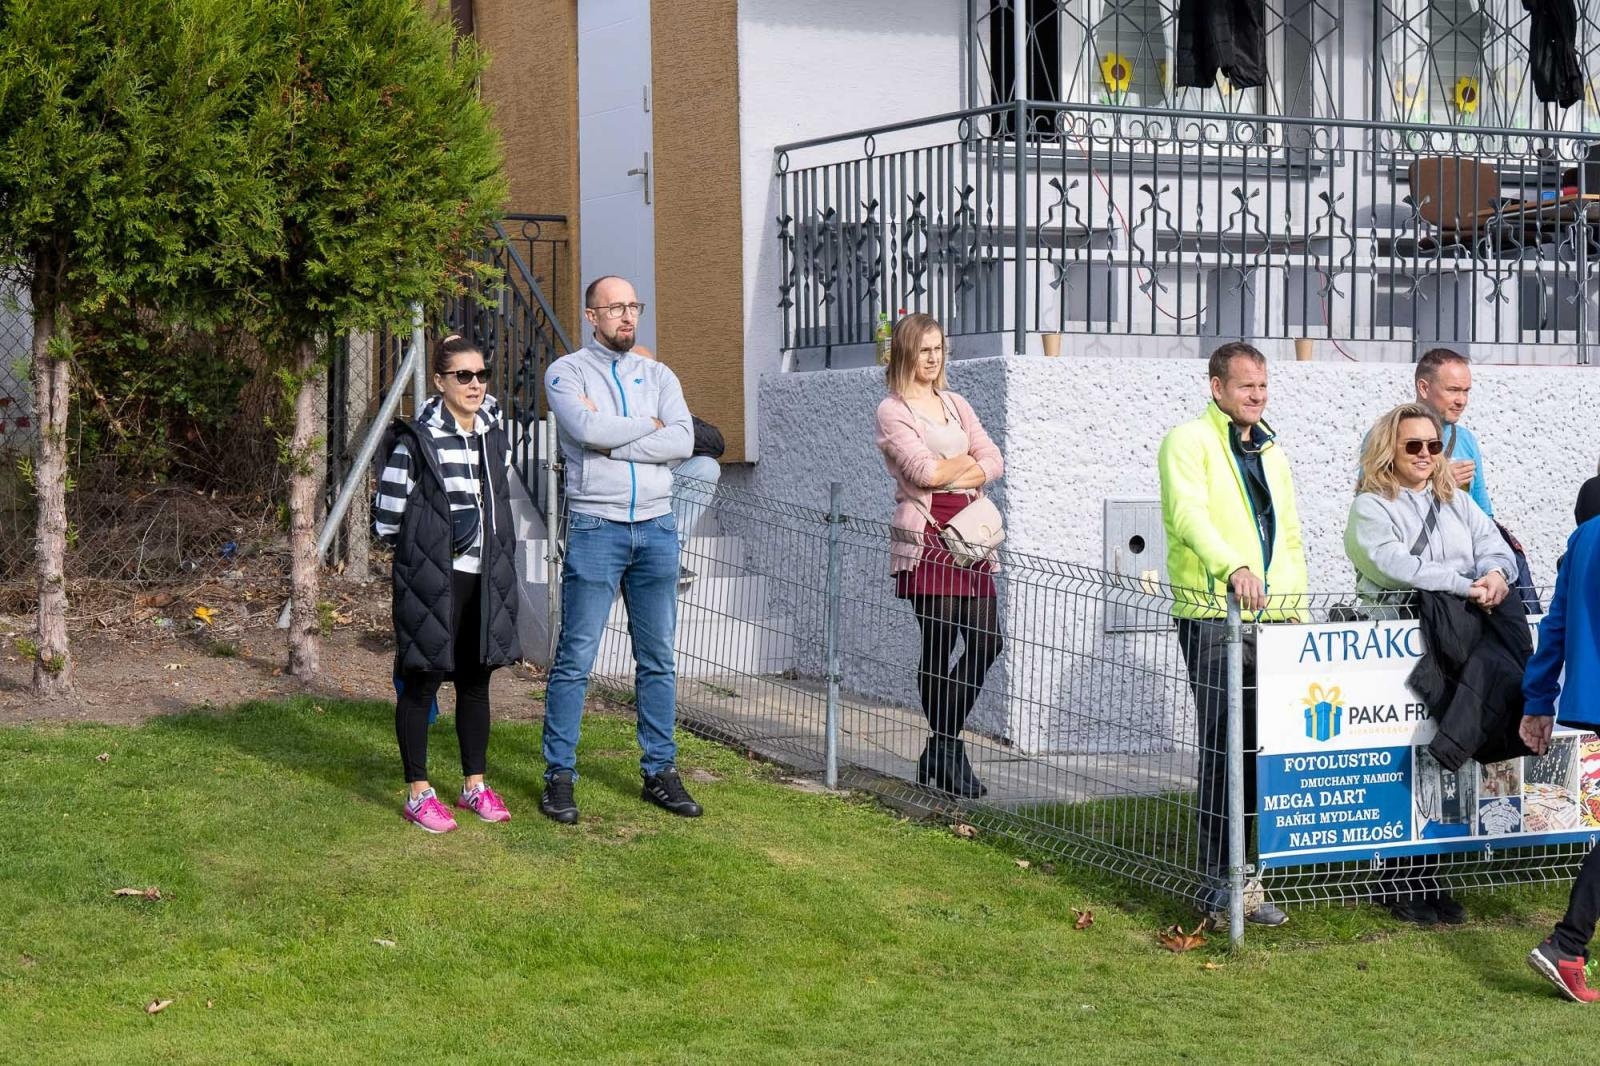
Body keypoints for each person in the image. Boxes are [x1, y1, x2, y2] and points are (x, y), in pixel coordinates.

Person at [539, 276, 703, 824]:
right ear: (591, 315)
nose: (628, 317)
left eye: (634, 307)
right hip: (596, 527)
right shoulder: (566, 372)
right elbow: (583, 428)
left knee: (657, 660)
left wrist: (616, 437)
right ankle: (558, 776)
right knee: (575, 659)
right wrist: (644, 429)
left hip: (657, 528)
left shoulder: (659, 374)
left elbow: (684, 439)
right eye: (616, 308)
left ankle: (661, 772)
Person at [1345, 402, 1516, 925]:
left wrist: (1495, 577)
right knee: (1409, 751)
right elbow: (1392, 563)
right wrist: (1464, 582)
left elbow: (1495, 544)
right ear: (1388, 450)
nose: (1424, 455)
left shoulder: (1456, 502)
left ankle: (1429, 872)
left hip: (1459, 638)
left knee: (1448, 748)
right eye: (1412, 445)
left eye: (1433, 445)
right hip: (1403, 647)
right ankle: (1394, 878)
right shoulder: (1371, 507)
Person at [1158, 341, 1307, 927]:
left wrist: (1293, 607)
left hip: (1271, 622)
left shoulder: (1271, 449)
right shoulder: (1187, 442)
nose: (1256, 396)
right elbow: (1187, 516)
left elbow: (1288, 535)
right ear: (1215, 386)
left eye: (1263, 386)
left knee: (1259, 753)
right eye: (1246, 386)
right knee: (1224, 749)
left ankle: (1248, 885)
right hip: (1212, 615)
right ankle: (1215, 886)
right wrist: (1233, 569)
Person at [373, 334, 521, 833]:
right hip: (435, 576)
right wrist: (429, 543)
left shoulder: (492, 432)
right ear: (439, 382)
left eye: (481, 374)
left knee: (477, 682)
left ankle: (473, 785)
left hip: (488, 573)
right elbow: (386, 520)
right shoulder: (417, 440)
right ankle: (419, 793)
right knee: (423, 681)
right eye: (463, 375)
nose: (475, 384)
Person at [875, 313, 1004, 798]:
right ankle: (950, 753)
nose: (934, 358)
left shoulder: (956, 403)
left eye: (939, 348)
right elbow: (922, 473)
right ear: (907, 352)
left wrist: (962, 469)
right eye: (925, 349)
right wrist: (964, 466)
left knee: (987, 642)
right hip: (928, 535)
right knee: (939, 643)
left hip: (972, 534)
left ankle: (942, 746)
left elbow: (994, 460)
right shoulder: (893, 410)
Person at [1522, 487, 1600, 1003]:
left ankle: (1568, 945)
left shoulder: (1585, 535)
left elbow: (1554, 626)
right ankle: (1567, 944)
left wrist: (1539, 698)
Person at [632, 345, 725, 588]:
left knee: (707, 466)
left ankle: (669, 554)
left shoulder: (666, 403)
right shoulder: (610, 401)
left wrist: (673, 425)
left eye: (654, 369)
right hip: (627, 489)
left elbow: (716, 443)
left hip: (665, 483)